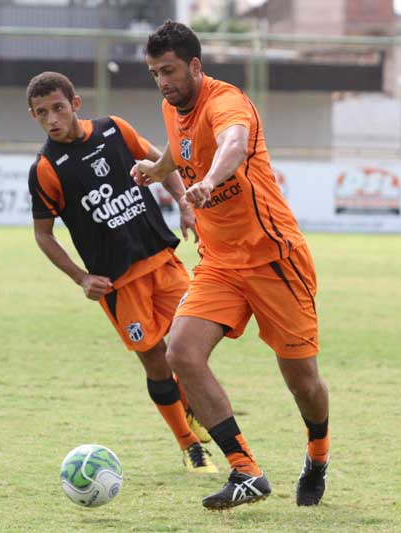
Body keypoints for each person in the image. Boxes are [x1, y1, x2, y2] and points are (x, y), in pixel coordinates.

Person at [131, 22, 330, 509]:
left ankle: (318, 454)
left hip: (274, 259)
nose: (163, 82)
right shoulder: (170, 106)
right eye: (156, 73)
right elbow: (183, 153)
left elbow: (232, 146)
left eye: (171, 71)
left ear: (195, 66)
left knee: (302, 380)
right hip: (221, 263)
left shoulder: (227, 103)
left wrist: (210, 181)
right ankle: (246, 471)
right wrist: (160, 170)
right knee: (180, 352)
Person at [25, 71, 217, 474]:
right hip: (118, 283)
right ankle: (189, 446)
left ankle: (195, 405)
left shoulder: (115, 130)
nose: (52, 119)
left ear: (75, 104)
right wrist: (81, 277)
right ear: (34, 117)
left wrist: (183, 202)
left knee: (190, 345)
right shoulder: (46, 168)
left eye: (58, 108)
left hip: (163, 261)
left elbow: (160, 164)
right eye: (42, 113)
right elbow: (43, 235)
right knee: (156, 362)